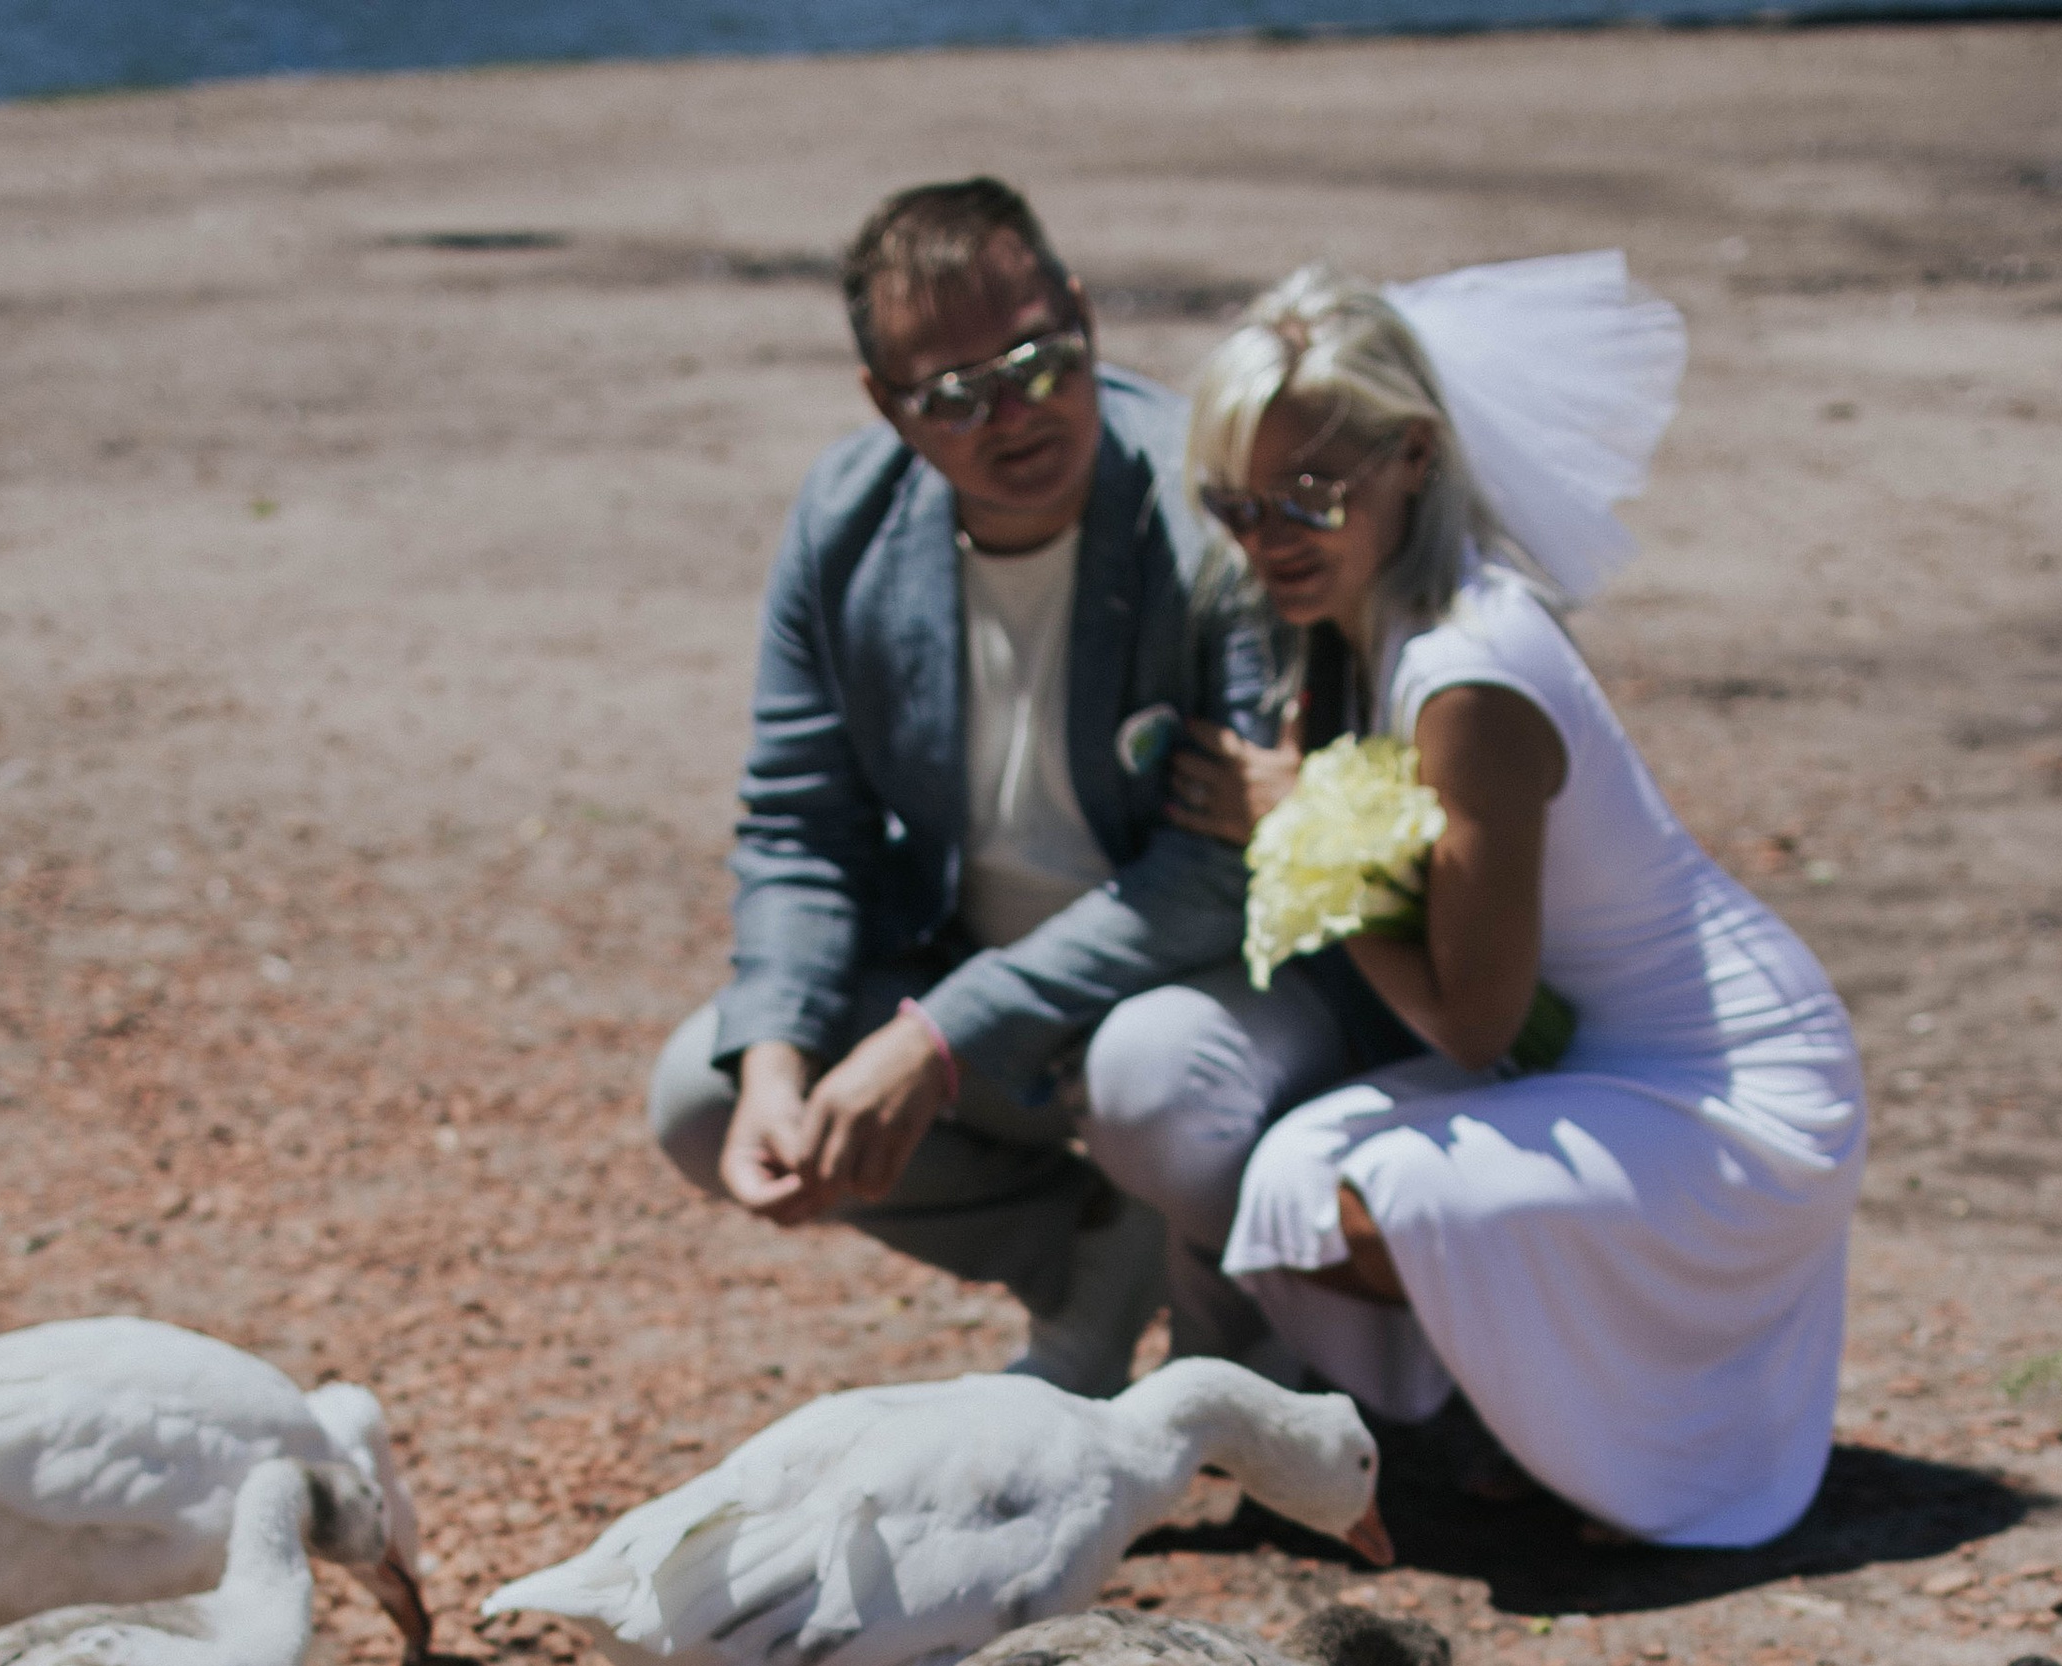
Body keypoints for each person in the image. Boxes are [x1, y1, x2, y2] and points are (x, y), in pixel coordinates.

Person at [1080, 257, 1867, 1549]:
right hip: (1611, 1064)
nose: (1266, 540)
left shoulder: (1467, 671)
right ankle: (1556, 1413)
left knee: (1363, 1206)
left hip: (1741, 1089)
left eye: (1306, 498)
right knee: (1283, 1182)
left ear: (1414, 457)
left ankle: (1617, 1443)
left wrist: (1305, 837)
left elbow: (1470, 1022)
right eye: (1234, 504)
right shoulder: (1383, 615)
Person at [648, 176, 1275, 1399]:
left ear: (1086, 315)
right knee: (698, 1090)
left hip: (1188, 998)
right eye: (955, 395)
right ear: (887, 408)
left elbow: (1219, 873)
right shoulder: (844, 527)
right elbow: (800, 821)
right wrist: (778, 1057)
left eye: (1042, 359)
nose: (1017, 414)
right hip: (981, 1000)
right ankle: (1096, 1257)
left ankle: (1250, 1349)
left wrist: (940, 1041)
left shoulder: (1204, 516)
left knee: (1148, 1075)